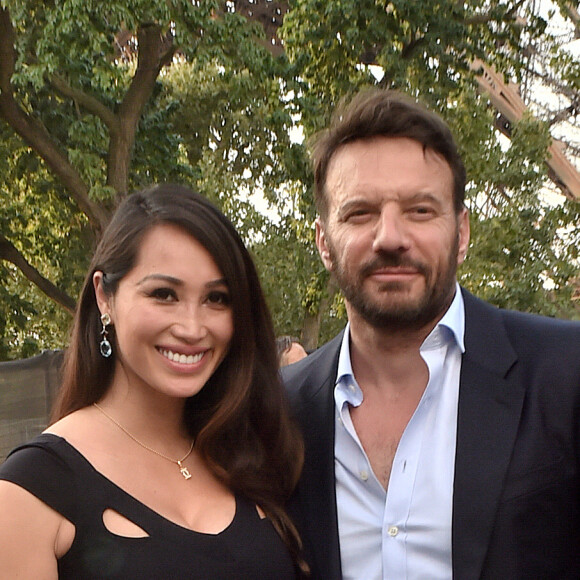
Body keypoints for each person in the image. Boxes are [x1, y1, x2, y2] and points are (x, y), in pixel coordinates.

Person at [282, 89, 580, 580]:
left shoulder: (564, 374)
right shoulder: (280, 411)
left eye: (421, 210)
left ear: (461, 232)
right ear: (324, 243)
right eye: (360, 213)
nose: (391, 237)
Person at [0, 184, 307, 579]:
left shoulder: (255, 445)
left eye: (216, 299)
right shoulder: (29, 492)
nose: (192, 328)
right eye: (164, 294)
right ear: (104, 297)